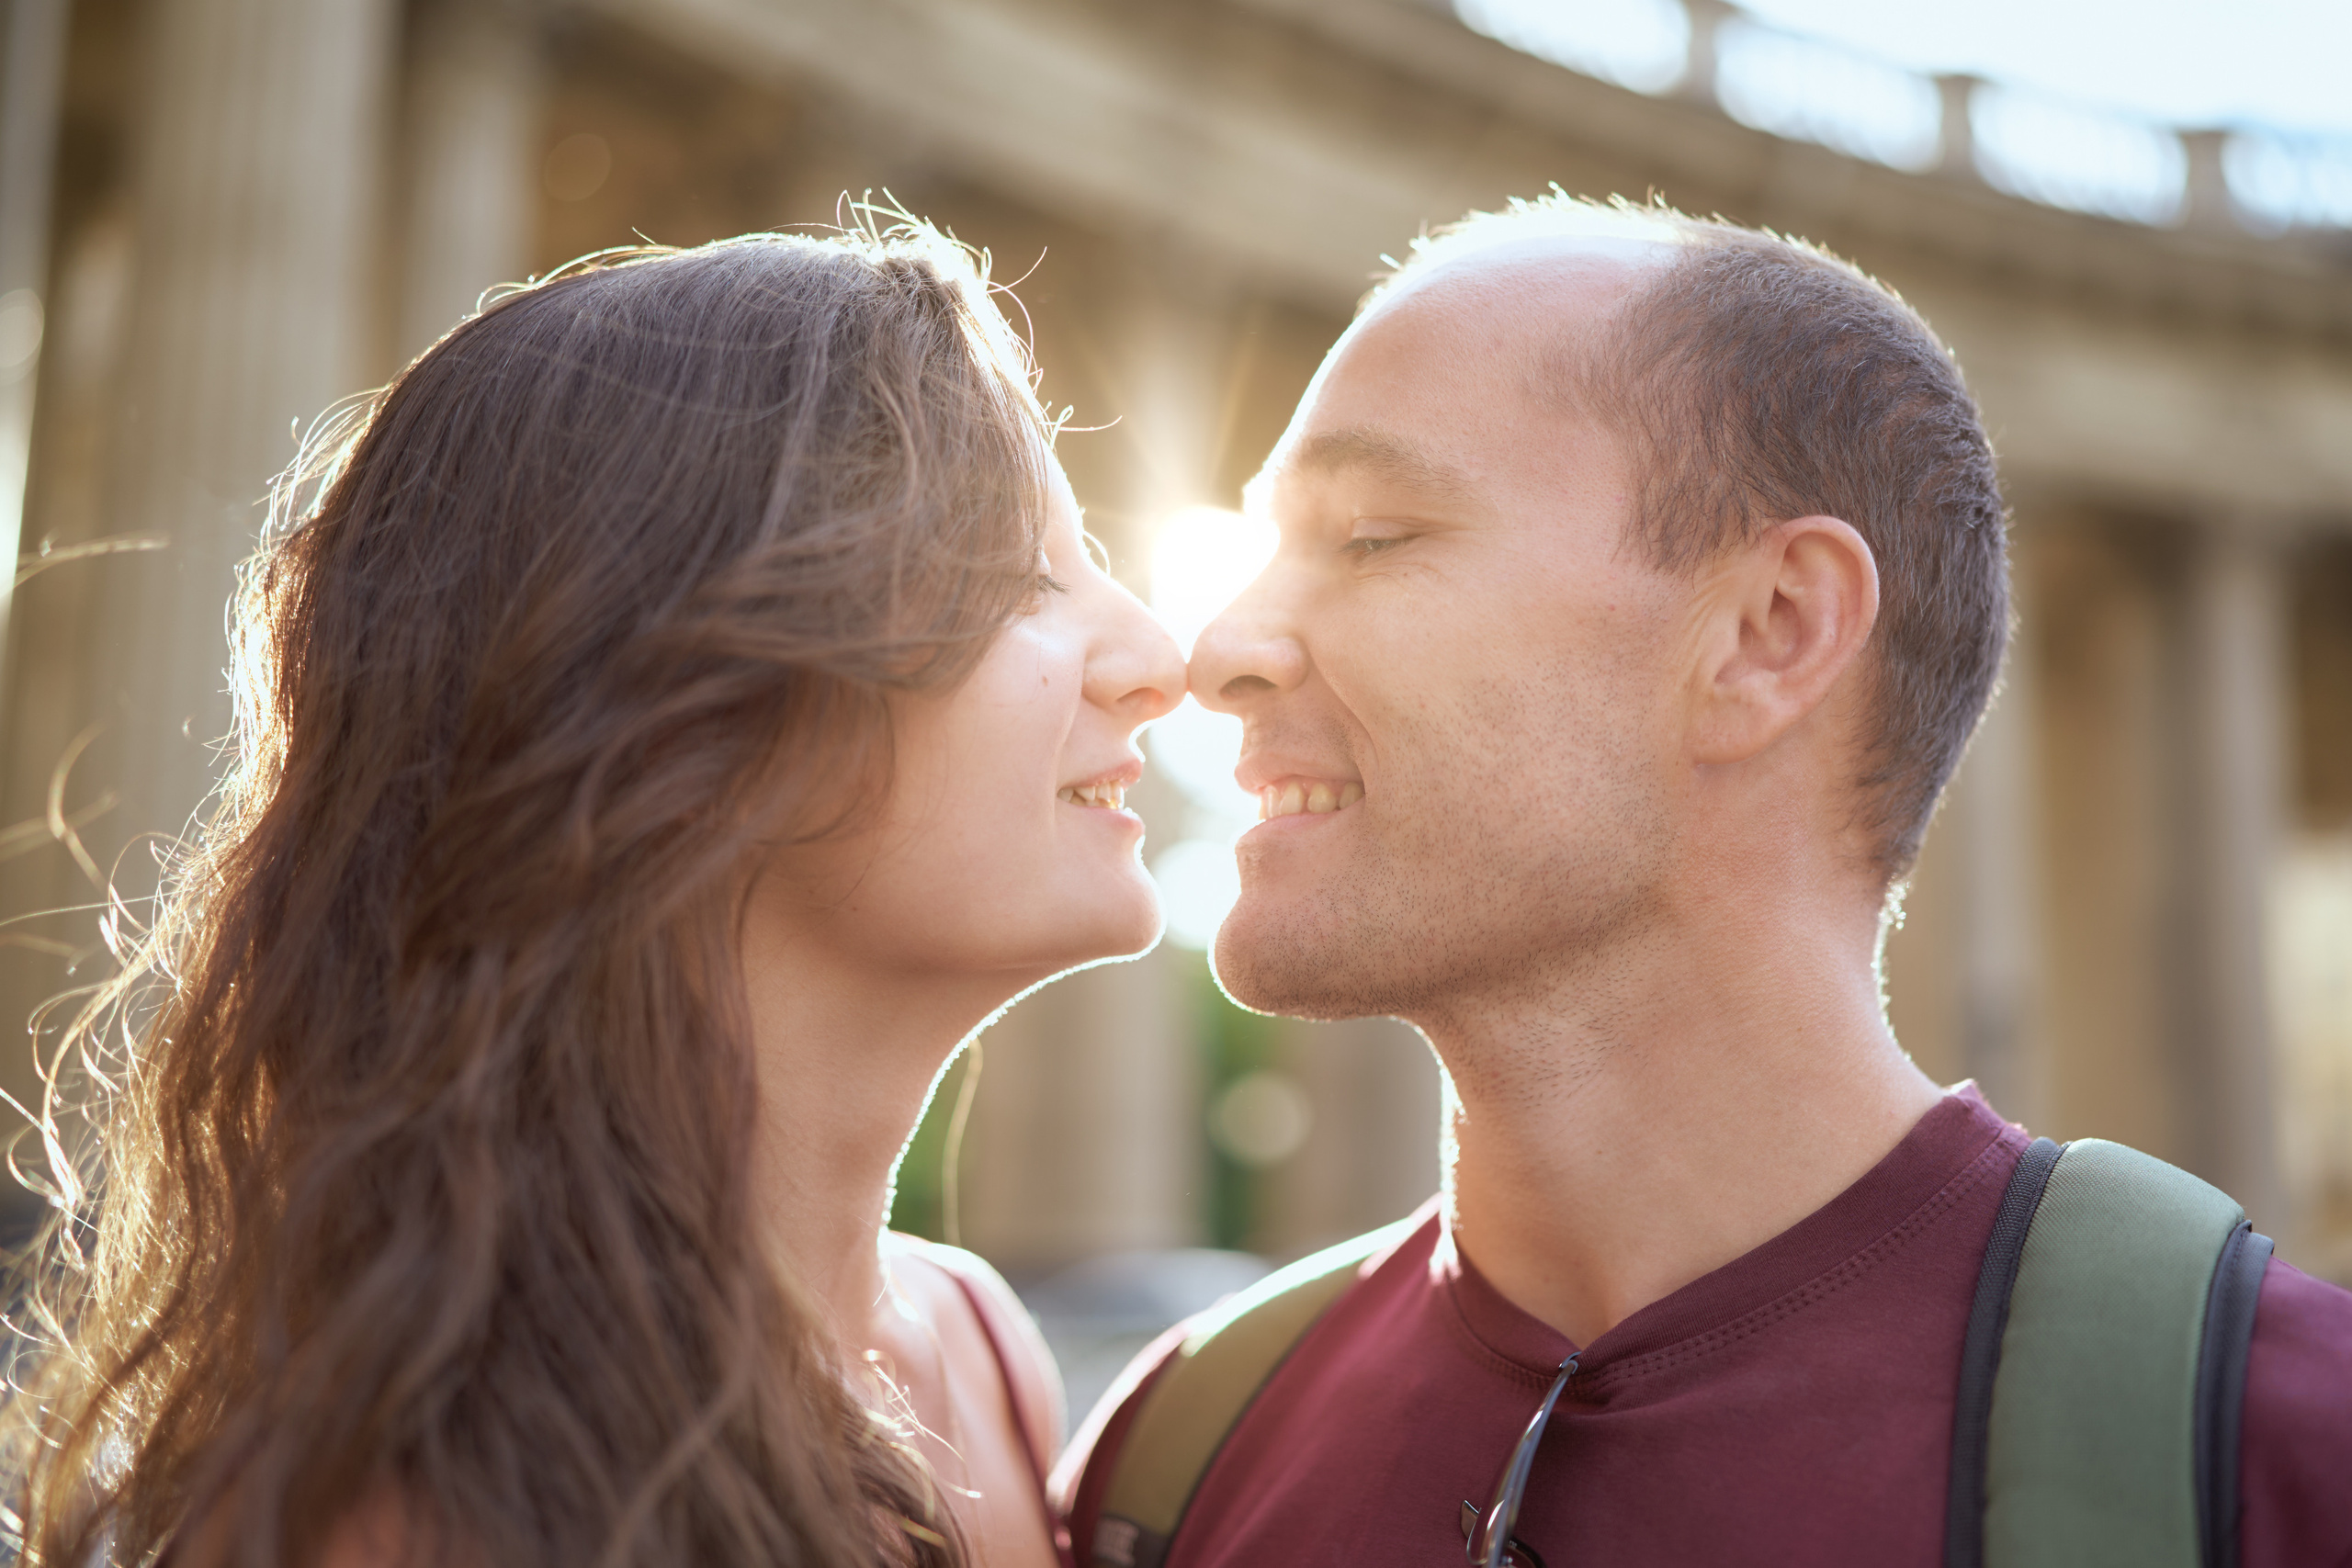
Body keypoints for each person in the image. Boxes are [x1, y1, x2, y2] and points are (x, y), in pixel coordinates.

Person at [1057, 197, 2352, 1566]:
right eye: (1267, 549)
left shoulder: (2296, 1460)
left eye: (1373, 535)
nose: (1217, 650)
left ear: (1769, 633)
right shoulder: (1168, 1459)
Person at [3, 220, 1184, 1568]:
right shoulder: (416, 1506)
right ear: (684, 721)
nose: (1159, 655)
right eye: (1020, 576)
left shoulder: (976, 1343)